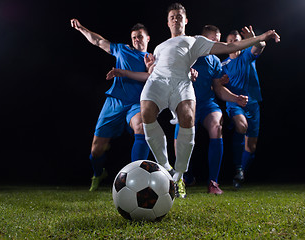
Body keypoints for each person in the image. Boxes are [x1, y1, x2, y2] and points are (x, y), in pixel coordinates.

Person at [107, 5, 280, 198]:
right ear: (168, 22)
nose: (176, 19)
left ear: (185, 20)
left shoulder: (195, 41)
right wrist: (150, 67)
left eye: (179, 16)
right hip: (158, 82)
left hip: (182, 83)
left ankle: (180, 176)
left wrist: (259, 38)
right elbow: (154, 69)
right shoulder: (159, 46)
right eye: (172, 17)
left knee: (188, 118)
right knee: (146, 114)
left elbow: (229, 47)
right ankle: (167, 168)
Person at [70, 19, 151, 191]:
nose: (137, 40)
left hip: (136, 104)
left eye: (140, 37)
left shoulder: (151, 59)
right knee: (96, 150)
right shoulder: (122, 49)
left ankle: (137, 177)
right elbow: (99, 41)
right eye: (134, 37)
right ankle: (98, 173)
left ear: (148, 39)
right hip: (114, 102)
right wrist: (81, 28)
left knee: (142, 127)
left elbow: (152, 77)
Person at [173, 25, 248, 195]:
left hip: (207, 104)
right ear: (201, 40)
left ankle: (213, 182)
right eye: (212, 40)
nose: (216, 43)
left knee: (217, 126)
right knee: (181, 140)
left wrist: (235, 98)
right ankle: (183, 177)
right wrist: (186, 76)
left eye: (218, 39)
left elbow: (218, 88)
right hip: (186, 103)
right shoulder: (186, 55)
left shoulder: (214, 60)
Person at [221, 26, 267, 188]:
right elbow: (216, 87)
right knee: (241, 126)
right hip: (235, 104)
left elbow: (259, 46)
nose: (234, 44)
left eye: (237, 41)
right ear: (226, 44)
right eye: (231, 41)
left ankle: (240, 174)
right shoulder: (223, 65)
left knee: (251, 147)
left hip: (253, 104)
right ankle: (238, 167)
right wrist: (221, 83)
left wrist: (254, 37)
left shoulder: (247, 56)